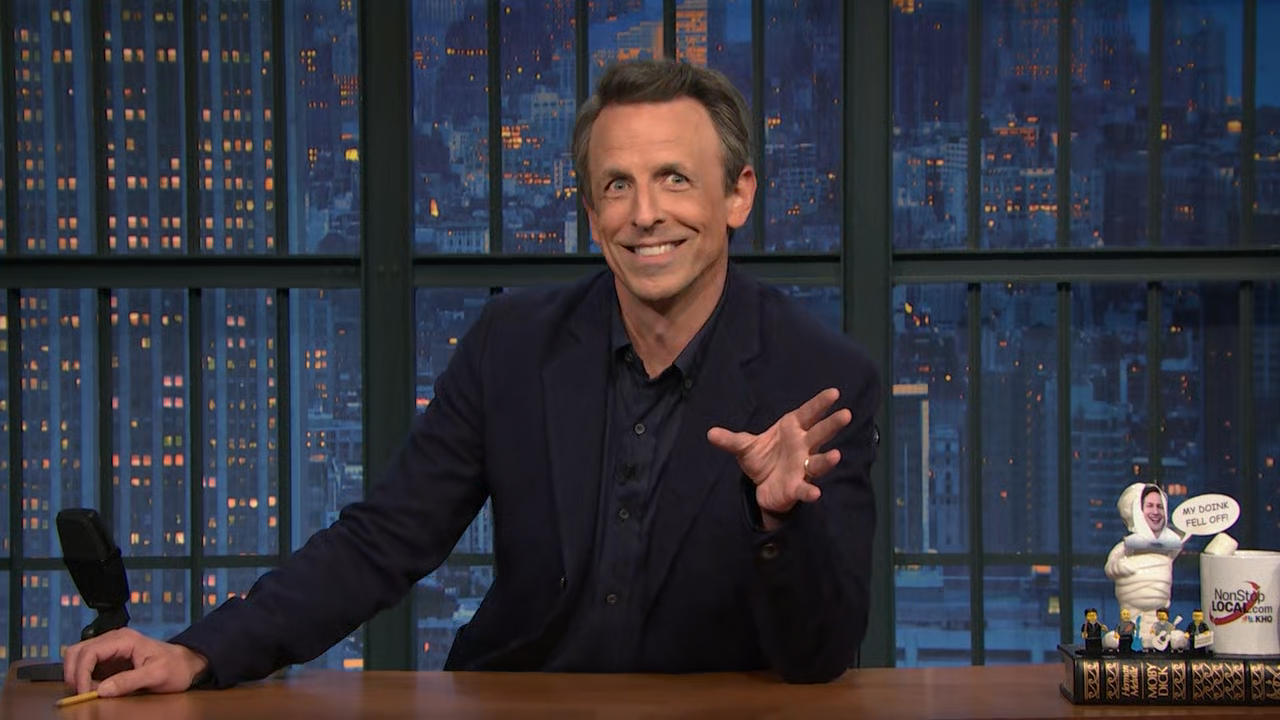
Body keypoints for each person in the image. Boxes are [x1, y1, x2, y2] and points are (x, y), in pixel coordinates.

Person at [60, 59, 882, 697]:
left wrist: (776, 524)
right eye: (617, 186)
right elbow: (384, 539)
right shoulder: (511, 343)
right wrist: (202, 651)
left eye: (675, 178)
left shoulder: (820, 379)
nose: (644, 214)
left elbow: (822, 656)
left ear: (738, 195)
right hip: (517, 702)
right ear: (591, 215)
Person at [1104, 482, 1184, 644]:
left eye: (1159, 506)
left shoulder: (1168, 546)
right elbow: (1110, 567)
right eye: (1149, 506)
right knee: (1118, 640)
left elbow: (1178, 544)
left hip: (1158, 620)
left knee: (1172, 639)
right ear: (1137, 511)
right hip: (1131, 615)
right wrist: (1122, 567)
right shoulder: (1125, 548)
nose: (1155, 512)